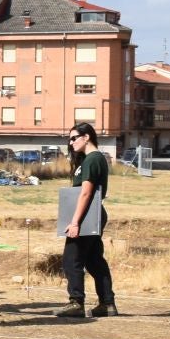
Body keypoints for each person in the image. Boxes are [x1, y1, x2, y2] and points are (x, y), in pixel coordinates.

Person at [59, 122, 116, 318]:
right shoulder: (90, 159)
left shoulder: (92, 159)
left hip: (87, 215)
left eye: (74, 138)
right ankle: (107, 304)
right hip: (92, 214)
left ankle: (76, 303)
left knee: (71, 260)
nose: (71, 142)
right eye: (69, 139)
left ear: (86, 137)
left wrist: (75, 222)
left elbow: (86, 192)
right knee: (93, 261)